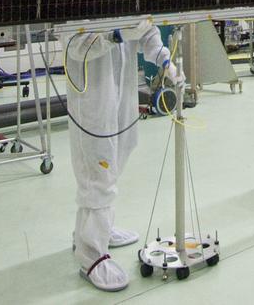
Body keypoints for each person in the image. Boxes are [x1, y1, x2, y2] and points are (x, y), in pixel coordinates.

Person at [66, 20, 183, 292]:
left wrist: (164, 60)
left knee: (119, 154)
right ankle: (91, 254)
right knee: (98, 170)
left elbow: (146, 28)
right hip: (92, 94)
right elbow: (74, 45)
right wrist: (115, 36)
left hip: (122, 92)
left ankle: (94, 229)